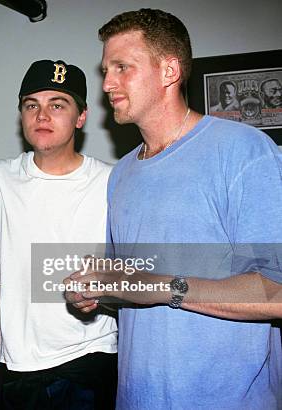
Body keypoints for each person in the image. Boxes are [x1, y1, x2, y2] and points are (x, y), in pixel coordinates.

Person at [65, 9, 282, 409]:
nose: (107, 84)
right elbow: (133, 284)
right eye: (105, 71)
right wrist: (98, 291)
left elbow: (276, 292)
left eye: (121, 67)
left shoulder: (244, 152)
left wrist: (164, 287)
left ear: (169, 71)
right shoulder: (123, 173)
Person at [0, 60, 118, 409]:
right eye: (32, 105)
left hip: (86, 360)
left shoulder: (111, 182)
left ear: (81, 117)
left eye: (57, 105)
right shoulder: (0, 178)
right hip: (14, 366)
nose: (42, 115)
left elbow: (138, 266)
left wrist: (106, 286)